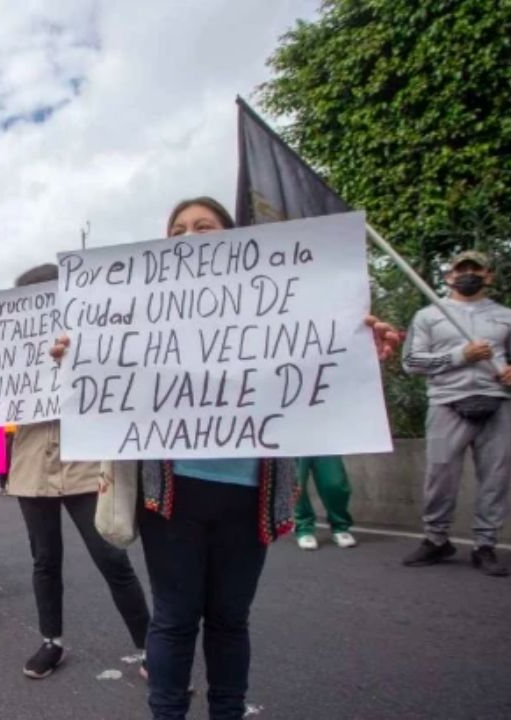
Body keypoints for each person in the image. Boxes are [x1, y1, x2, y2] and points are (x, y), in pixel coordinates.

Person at [52, 197, 400, 719]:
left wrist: (359, 347)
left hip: (249, 494)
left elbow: (320, 370)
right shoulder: (135, 311)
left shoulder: (282, 305)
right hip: (171, 494)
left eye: (205, 227)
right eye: (177, 231)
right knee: (173, 618)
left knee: (230, 619)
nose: (189, 237)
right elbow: (104, 386)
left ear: (235, 242)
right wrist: (75, 357)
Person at [0, 263, 152, 681]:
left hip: (85, 464)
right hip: (31, 468)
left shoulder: (93, 338)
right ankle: (52, 642)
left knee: (112, 558)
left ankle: (151, 646)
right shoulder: (11, 346)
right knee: (45, 560)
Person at [401, 250, 511, 576]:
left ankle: (486, 546)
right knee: (439, 475)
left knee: (495, 478)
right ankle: (436, 539)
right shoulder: (429, 316)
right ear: (448, 276)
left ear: (488, 275)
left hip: (498, 402)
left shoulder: (508, 317)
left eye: (475, 269)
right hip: (447, 403)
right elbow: (411, 363)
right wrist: (459, 355)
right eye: (460, 269)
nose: (467, 274)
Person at [293, 456, 357, 551]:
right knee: (297, 482)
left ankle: (340, 526)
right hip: (294, 443)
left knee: (335, 483)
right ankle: (304, 528)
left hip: (325, 443)